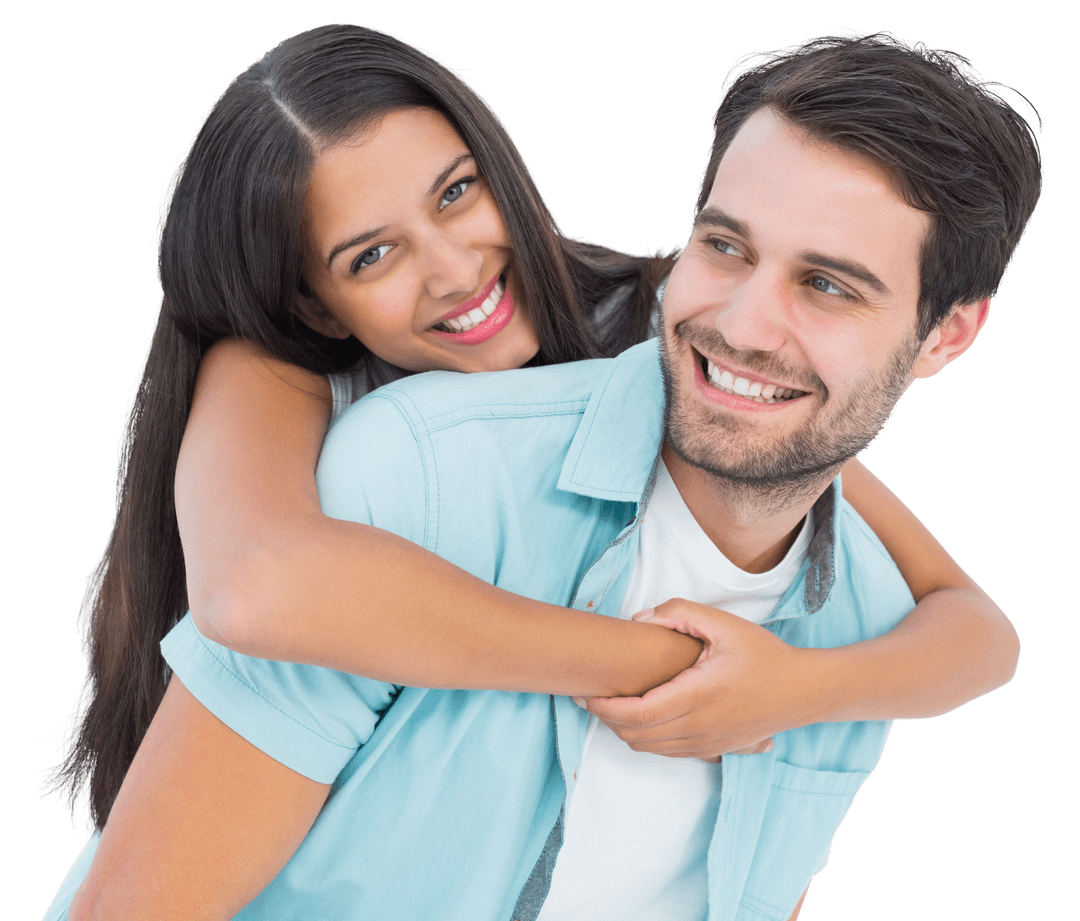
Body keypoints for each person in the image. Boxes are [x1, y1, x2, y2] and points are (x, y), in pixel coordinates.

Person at [44, 27, 1036, 921]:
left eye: (456, 193)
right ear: (315, 304)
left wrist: (798, 689)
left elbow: (965, 622)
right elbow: (256, 588)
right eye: (374, 253)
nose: (455, 270)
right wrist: (658, 669)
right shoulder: (312, 399)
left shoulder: (668, 331)